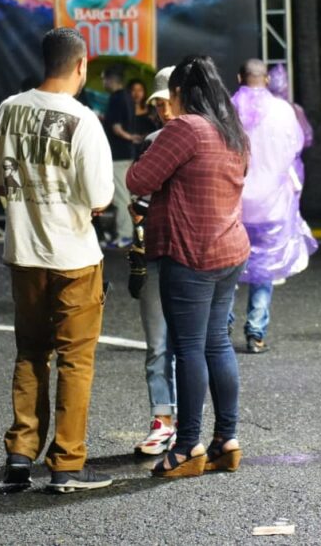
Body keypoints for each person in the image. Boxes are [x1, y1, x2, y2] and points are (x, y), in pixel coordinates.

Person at [0, 28, 115, 493]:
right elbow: (100, 197)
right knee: (75, 361)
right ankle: (67, 463)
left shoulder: (8, 109)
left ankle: (20, 455)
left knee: (30, 353)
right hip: (75, 256)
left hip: (24, 253)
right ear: (81, 65)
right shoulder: (84, 122)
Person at [126, 55, 249, 478]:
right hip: (228, 249)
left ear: (180, 93)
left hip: (189, 252)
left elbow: (138, 180)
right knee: (217, 342)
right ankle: (226, 439)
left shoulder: (184, 129)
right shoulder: (232, 130)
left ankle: (188, 446)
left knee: (189, 348)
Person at [229, 59, 318, 354]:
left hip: (235, 203)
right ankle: (255, 333)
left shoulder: (228, 109)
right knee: (264, 269)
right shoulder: (283, 110)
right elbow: (296, 147)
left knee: (227, 267)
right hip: (272, 206)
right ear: (266, 79)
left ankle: (220, 327)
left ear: (240, 77)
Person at [127, 66, 178, 456]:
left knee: (188, 345)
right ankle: (166, 420)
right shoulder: (150, 142)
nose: (162, 110)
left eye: (166, 101)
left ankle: (184, 425)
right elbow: (137, 204)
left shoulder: (205, 138)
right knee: (161, 343)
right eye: (157, 104)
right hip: (162, 252)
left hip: (189, 255)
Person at [103, 64, 141, 247]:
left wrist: (128, 136)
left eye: (104, 79)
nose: (103, 82)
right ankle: (127, 234)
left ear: (111, 79)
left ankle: (125, 235)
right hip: (127, 153)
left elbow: (117, 128)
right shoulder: (127, 96)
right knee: (126, 195)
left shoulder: (116, 98)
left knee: (121, 197)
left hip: (118, 154)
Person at [129, 78, 157, 144]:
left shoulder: (151, 109)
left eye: (140, 90)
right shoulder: (124, 110)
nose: (137, 93)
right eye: (133, 90)